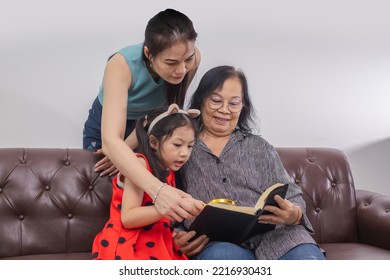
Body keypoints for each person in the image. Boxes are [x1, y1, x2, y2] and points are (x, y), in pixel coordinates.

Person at [174, 65, 326, 260]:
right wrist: (175, 235)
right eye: (216, 100)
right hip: (217, 243)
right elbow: (166, 197)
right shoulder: (180, 146)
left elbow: (293, 195)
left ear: (243, 105)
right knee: (222, 257)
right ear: (201, 99)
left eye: (234, 103)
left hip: (279, 237)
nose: (224, 110)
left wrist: (294, 214)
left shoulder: (260, 147)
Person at [82, 9, 203, 221]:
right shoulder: (121, 65)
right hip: (109, 123)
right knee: (112, 192)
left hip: (152, 124)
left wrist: (128, 148)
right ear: (148, 53)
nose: (182, 70)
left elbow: (164, 115)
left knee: (146, 196)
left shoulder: (192, 60)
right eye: (171, 63)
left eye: (188, 59)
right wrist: (119, 151)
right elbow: (111, 141)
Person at [91, 104, 206, 260]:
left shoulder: (169, 171)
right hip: (129, 241)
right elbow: (128, 218)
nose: (184, 153)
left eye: (190, 146)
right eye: (177, 145)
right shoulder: (139, 165)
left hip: (157, 239)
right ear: (153, 142)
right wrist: (171, 207)